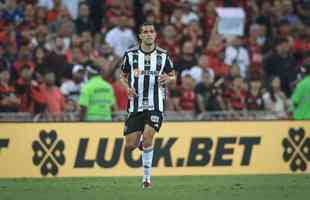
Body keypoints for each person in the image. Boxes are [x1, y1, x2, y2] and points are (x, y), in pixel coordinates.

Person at [119, 22, 176, 188]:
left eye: (151, 31)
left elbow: (173, 75)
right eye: (145, 32)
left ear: (155, 35)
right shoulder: (130, 55)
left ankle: (146, 179)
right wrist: (127, 88)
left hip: (155, 104)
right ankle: (140, 143)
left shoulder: (164, 55)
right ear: (140, 36)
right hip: (135, 105)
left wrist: (169, 79)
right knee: (130, 146)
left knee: (148, 136)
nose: (149, 34)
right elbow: (122, 75)